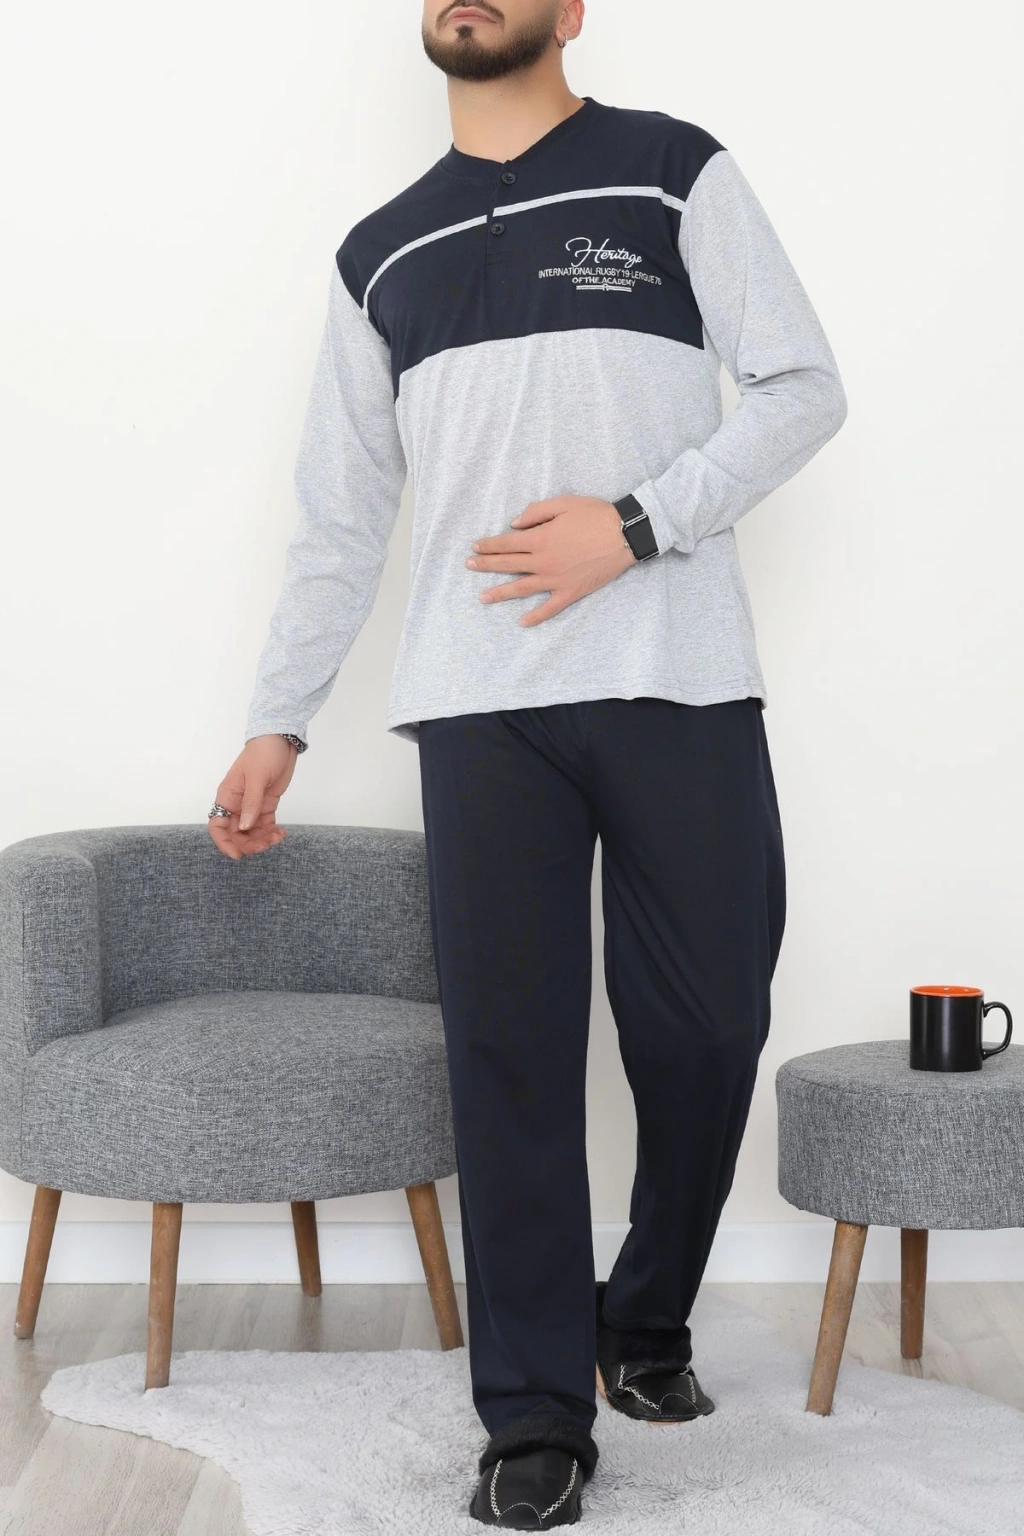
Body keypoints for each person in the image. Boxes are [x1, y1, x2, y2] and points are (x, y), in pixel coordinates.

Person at [208, 1, 847, 1526]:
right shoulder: (381, 255)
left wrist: (634, 524)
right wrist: (279, 717)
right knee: (512, 1057)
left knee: (707, 1028)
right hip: (479, 706)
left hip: (678, 675)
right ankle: (536, 1412)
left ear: (571, 12)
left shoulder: (671, 171)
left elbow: (803, 387)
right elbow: (342, 515)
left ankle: (645, 1316)